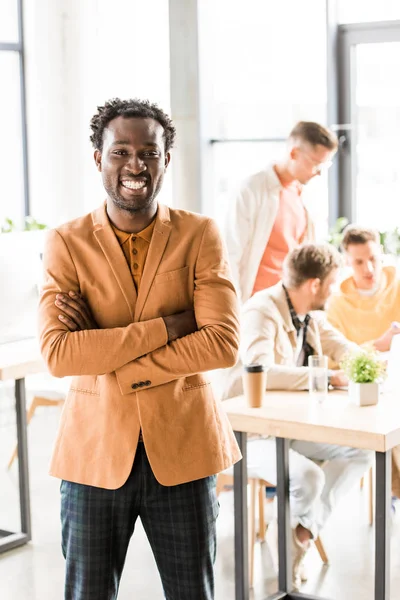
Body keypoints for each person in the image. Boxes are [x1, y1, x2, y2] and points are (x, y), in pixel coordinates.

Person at [38, 98, 241, 600]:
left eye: (149, 152)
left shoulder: (200, 234)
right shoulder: (66, 242)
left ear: (166, 158)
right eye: (120, 151)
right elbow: (60, 355)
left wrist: (111, 356)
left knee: (193, 592)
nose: (135, 165)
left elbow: (222, 343)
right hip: (94, 455)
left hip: (184, 450)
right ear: (98, 158)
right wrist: (169, 326)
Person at [221, 243, 372, 591]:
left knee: (360, 452)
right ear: (315, 285)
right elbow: (258, 370)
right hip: (249, 433)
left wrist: (372, 364)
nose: (335, 292)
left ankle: (299, 529)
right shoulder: (262, 310)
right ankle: (288, 565)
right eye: (333, 284)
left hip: (290, 428)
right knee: (308, 477)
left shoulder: (310, 316)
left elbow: (346, 350)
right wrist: (326, 377)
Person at [224, 121, 338, 304]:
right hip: (253, 305)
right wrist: (235, 309)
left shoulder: (305, 197)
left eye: (324, 166)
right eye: (316, 164)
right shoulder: (251, 190)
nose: (319, 173)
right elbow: (230, 255)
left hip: (290, 306)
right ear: (294, 153)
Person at [327, 225, 400, 351]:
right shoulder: (336, 304)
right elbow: (332, 359)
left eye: (372, 259)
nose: (369, 269)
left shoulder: (397, 288)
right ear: (347, 262)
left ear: (381, 252)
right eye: (359, 262)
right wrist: (378, 346)